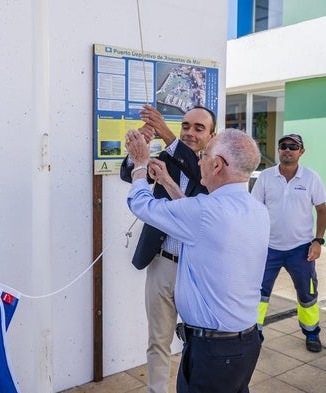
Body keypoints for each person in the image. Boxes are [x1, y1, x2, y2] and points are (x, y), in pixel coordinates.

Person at [126, 128, 269, 393]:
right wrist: (169, 182)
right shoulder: (255, 210)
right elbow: (197, 222)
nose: (199, 160)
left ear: (217, 165)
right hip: (243, 344)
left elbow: (141, 204)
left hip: (214, 352)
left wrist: (140, 164)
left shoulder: (205, 212)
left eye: (204, 155)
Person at [120, 104, 215, 393]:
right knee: (158, 340)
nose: (189, 132)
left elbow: (195, 177)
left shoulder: (217, 167)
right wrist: (138, 152)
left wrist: (166, 133)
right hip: (161, 263)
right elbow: (129, 174)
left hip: (196, 268)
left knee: (199, 340)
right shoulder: (169, 156)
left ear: (213, 135)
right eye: (185, 126)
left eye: (199, 128)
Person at [251, 133, 326, 352]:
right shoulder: (265, 177)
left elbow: (322, 211)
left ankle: (311, 332)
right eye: (283, 146)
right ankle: (253, 333)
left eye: (293, 146)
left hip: (301, 250)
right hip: (268, 248)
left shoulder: (311, 178)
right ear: (278, 150)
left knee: (307, 294)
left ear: (301, 151)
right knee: (258, 294)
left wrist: (318, 241)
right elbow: (254, 210)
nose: (287, 150)